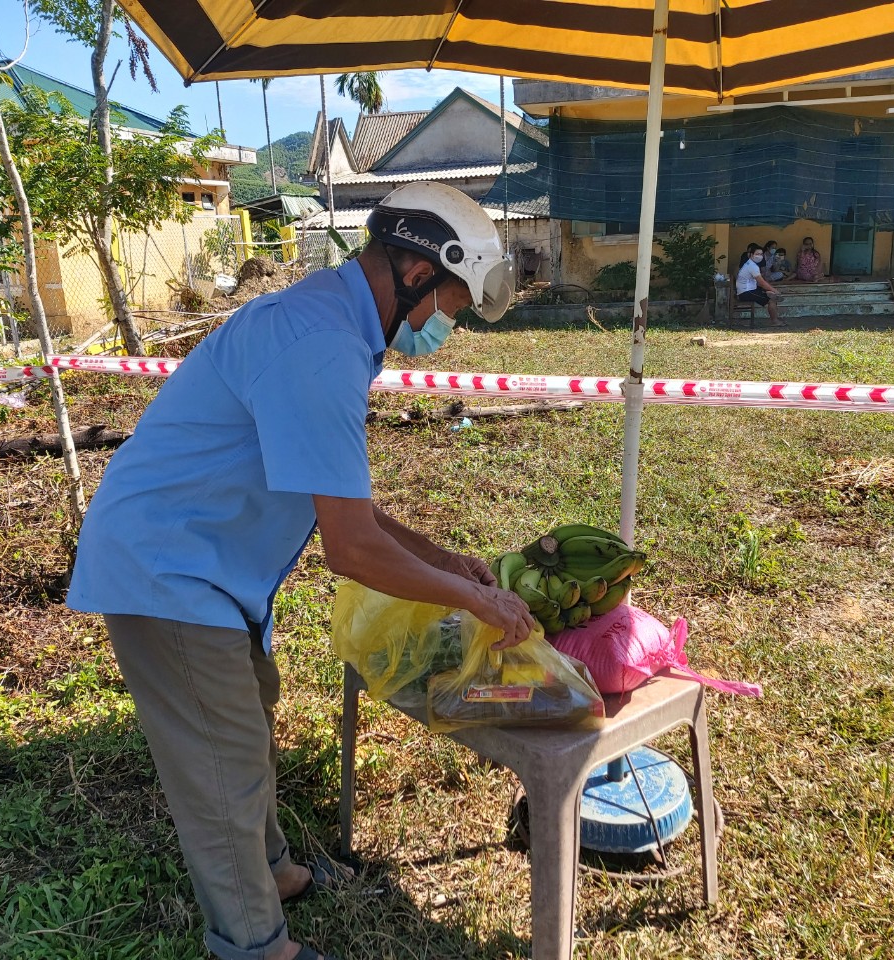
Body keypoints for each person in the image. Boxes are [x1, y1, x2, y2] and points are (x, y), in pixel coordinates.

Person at [66, 182, 534, 960]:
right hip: (167, 567)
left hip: (208, 563)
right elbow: (348, 548)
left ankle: (274, 868)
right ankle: (253, 943)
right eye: (453, 299)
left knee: (248, 715)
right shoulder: (320, 347)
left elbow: (345, 504)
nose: (449, 322)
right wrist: (474, 601)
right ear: (418, 272)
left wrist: (446, 560)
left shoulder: (327, 322)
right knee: (221, 765)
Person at [735, 244, 785, 327]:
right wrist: (774, 290)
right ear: (750, 255)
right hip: (746, 292)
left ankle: (769, 294)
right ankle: (775, 321)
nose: (760, 256)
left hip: (749, 289)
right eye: (757, 254)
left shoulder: (750, 264)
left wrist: (767, 290)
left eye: (761, 254)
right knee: (771, 300)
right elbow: (761, 282)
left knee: (769, 294)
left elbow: (759, 282)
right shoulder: (752, 266)